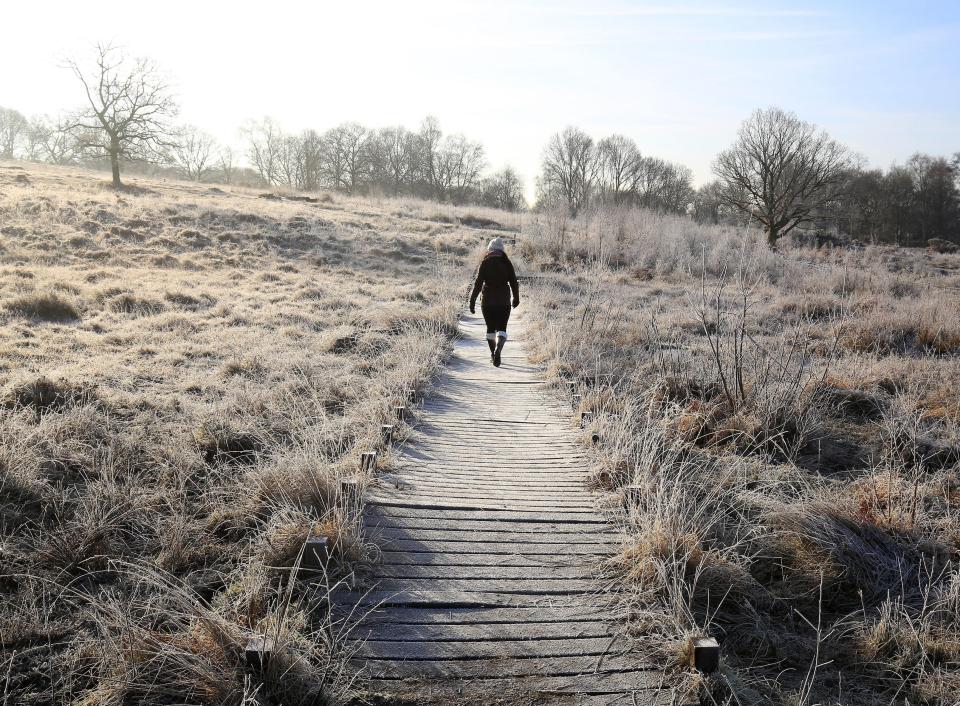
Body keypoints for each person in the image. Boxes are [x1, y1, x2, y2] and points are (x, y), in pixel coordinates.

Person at [469, 237, 520, 367]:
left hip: (488, 302)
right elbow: (514, 282)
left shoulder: (485, 263)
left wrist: (472, 300)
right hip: (504, 301)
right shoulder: (507, 263)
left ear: (490, 249)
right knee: (502, 329)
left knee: (490, 329)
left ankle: (493, 354)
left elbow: (478, 283)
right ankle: (498, 350)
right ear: (502, 249)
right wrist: (516, 297)